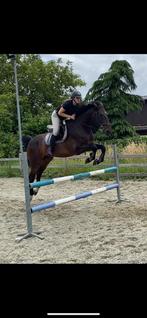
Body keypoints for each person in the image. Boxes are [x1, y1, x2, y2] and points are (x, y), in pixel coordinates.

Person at [47, 90, 82, 156]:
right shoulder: (67, 103)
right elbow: (60, 113)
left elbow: (75, 115)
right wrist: (70, 116)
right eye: (77, 98)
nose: (79, 99)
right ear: (73, 98)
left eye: (79, 98)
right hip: (56, 116)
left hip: (64, 117)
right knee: (56, 131)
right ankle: (50, 149)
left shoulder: (78, 106)